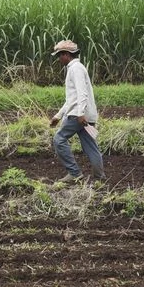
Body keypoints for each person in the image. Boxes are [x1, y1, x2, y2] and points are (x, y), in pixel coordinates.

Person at [49, 40, 106, 183]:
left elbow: (82, 93)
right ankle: (100, 178)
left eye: (59, 55)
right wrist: (58, 115)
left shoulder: (76, 69)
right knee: (90, 147)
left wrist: (80, 113)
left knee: (59, 139)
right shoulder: (77, 68)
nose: (58, 59)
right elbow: (72, 98)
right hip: (86, 114)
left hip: (77, 115)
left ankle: (74, 173)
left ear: (66, 54)